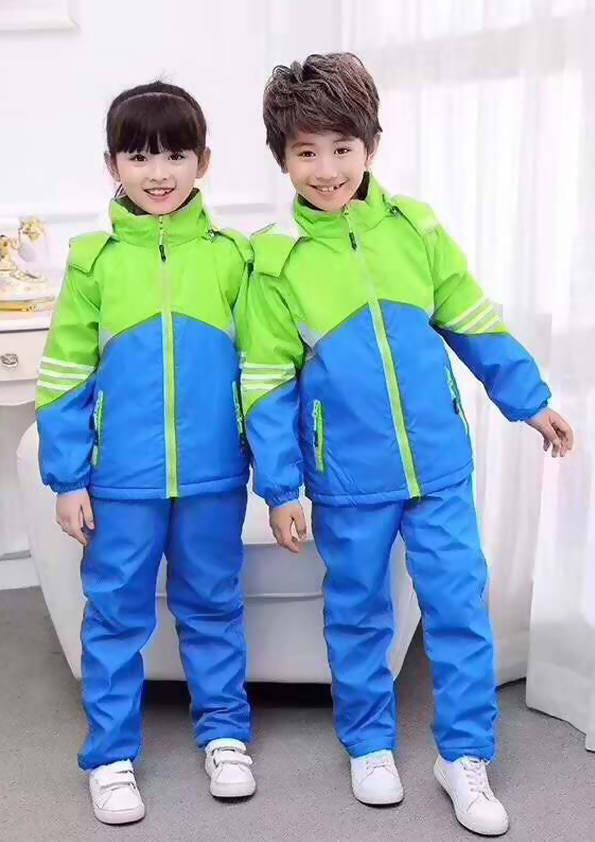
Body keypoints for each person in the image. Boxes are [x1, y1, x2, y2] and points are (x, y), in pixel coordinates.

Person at [237, 53, 574, 836]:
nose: (326, 170)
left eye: (342, 148)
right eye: (305, 152)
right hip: (347, 476)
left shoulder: (415, 227)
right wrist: (281, 488)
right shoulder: (274, 259)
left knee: (459, 606)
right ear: (281, 157)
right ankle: (368, 744)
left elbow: (472, 319)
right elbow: (265, 385)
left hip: (438, 465)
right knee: (358, 611)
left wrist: (529, 401)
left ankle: (464, 756)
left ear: (372, 145)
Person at [36, 81, 256, 825]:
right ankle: (111, 755)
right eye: (138, 156)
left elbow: (261, 367)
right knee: (115, 616)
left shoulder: (233, 258)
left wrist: (274, 469)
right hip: (120, 480)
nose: (158, 173)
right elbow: (64, 375)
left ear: (204, 162)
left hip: (213, 475)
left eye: (174, 155)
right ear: (112, 165)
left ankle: (225, 735)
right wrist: (69, 478)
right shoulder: (93, 262)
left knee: (214, 605)